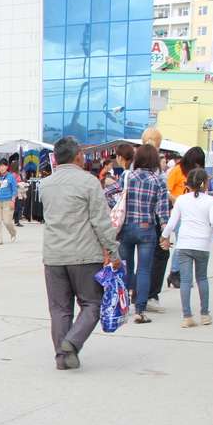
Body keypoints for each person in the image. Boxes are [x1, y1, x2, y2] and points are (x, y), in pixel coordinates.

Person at [40, 135, 120, 370]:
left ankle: (62, 358)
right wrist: (113, 252)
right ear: (77, 156)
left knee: (59, 309)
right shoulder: (89, 182)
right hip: (84, 255)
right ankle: (72, 343)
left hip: (53, 256)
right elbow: (101, 222)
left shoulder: (46, 185)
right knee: (92, 303)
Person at [160, 168, 213, 328]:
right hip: (202, 244)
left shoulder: (181, 200)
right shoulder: (211, 201)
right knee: (202, 278)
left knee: (186, 280)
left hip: (184, 243)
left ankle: (187, 316)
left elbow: (172, 223)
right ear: (205, 183)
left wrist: (164, 236)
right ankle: (205, 314)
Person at [117, 144, 170, 323]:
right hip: (147, 227)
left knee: (126, 268)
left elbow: (115, 198)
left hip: (127, 226)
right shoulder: (159, 180)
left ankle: (123, 308)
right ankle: (140, 310)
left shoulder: (127, 176)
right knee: (144, 270)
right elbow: (162, 210)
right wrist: (165, 232)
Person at [164, 146, 206, 290]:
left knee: (186, 243)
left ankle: (178, 273)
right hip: (179, 212)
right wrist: (175, 199)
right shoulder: (177, 170)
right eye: (196, 163)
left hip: (193, 213)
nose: (198, 166)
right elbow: (166, 190)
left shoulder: (197, 174)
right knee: (182, 243)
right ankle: (175, 272)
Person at [0, 161, 19, 244]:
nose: (1, 168)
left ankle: (13, 233)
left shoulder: (10, 177)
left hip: (7, 202)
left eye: (3, 166)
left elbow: (14, 190)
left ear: (6, 167)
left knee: (7, 222)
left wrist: (13, 201)